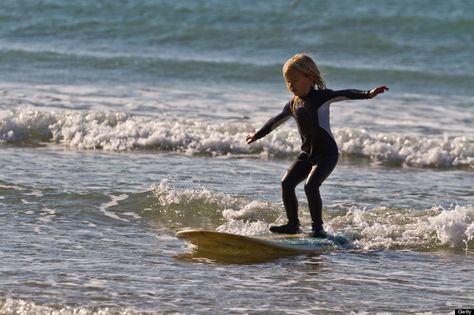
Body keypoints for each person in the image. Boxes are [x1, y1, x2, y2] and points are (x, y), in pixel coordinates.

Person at [246, 53, 388, 237]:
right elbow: (275, 121)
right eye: (287, 81)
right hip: (307, 154)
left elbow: (344, 93)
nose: (291, 85)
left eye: (295, 80)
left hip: (327, 154)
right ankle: (293, 224)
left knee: (310, 186)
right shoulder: (293, 104)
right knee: (286, 183)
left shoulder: (321, 97)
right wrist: (257, 134)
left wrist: (368, 94)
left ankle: (318, 228)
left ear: (310, 77)